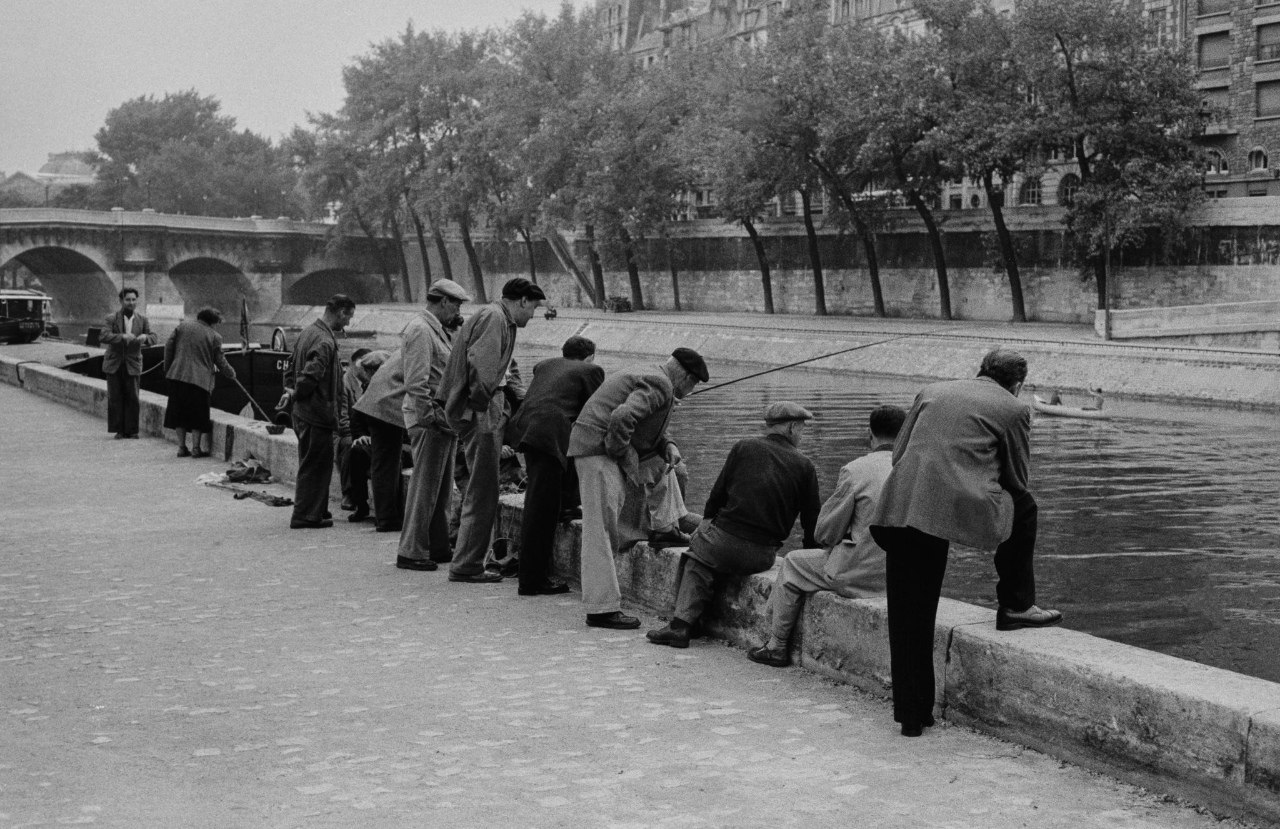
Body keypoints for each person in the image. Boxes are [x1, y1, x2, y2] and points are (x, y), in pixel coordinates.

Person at [870, 348, 1063, 738]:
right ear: (1017, 384)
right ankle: (1016, 605)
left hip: (899, 505)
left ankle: (912, 715)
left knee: (908, 612)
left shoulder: (932, 391)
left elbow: (898, 452)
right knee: (1024, 506)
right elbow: (1018, 477)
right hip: (946, 509)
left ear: (980, 370)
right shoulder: (1013, 408)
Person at [647, 401, 821, 649]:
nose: (802, 435)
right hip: (763, 555)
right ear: (792, 427)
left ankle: (681, 625)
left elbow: (717, 494)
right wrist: (811, 556)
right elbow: (811, 522)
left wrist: (706, 525)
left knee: (696, 557)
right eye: (802, 428)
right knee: (707, 550)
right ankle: (691, 621)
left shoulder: (743, 447)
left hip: (723, 544)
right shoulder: (805, 466)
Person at [747, 404, 906, 668]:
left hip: (858, 575)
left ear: (870, 433)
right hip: (900, 577)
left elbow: (825, 533)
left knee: (792, 562)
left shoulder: (856, 470)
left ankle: (776, 645)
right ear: (904, 434)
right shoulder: (915, 472)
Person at [567, 348, 708, 629]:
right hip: (599, 452)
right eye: (692, 384)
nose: (690, 391)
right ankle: (601, 609)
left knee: (607, 525)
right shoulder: (661, 384)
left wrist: (667, 444)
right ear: (685, 377)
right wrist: (620, 454)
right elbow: (622, 416)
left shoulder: (654, 375)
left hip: (591, 446)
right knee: (601, 530)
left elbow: (647, 422)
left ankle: (665, 527)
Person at [436, 277, 546, 583]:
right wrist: (481, 410)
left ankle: (468, 561)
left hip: (483, 408)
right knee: (483, 489)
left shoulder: (497, 317)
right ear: (522, 301)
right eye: (534, 307)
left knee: (483, 487)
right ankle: (467, 564)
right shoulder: (495, 318)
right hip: (482, 410)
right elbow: (482, 371)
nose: (533, 315)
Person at [506, 335, 605, 596]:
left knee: (541, 499)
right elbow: (597, 411)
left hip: (527, 429)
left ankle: (565, 507)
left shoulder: (545, 365)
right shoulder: (591, 370)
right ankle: (531, 581)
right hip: (549, 435)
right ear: (590, 357)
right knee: (539, 509)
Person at [394, 279, 472, 571]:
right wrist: (430, 419)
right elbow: (416, 382)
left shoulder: (435, 330)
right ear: (444, 301)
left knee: (440, 489)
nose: (458, 311)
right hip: (431, 421)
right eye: (457, 305)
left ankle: (438, 546)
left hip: (442, 420)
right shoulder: (420, 330)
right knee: (425, 488)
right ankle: (411, 551)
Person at [284, 294, 356, 529]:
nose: (348, 324)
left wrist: (290, 392)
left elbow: (290, 366)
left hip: (303, 412)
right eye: (348, 318)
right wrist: (297, 393)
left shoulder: (308, 332)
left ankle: (317, 510)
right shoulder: (325, 341)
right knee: (315, 465)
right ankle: (305, 515)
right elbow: (310, 375)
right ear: (341, 312)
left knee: (314, 463)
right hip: (316, 413)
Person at [162, 307, 237, 458]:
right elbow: (220, 360)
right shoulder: (215, 336)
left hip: (177, 375)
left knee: (179, 413)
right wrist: (231, 373)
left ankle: (181, 448)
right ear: (212, 322)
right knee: (198, 415)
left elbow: (168, 347)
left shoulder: (182, 327)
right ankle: (196, 448)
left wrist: (169, 369)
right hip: (200, 380)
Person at [337, 349, 390, 523]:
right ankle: (360, 504)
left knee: (386, 461)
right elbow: (355, 418)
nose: (367, 375)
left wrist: (375, 438)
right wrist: (361, 436)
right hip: (375, 442)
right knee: (356, 452)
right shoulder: (368, 388)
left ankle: (387, 514)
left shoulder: (394, 390)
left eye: (370, 371)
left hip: (396, 444)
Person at [99, 287, 156, 439]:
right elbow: (103, 336)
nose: (131, 303)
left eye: (133, 300)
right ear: (121, 301)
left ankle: (132, 430)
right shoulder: (111, 318)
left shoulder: (142, 319)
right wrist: (122, 336)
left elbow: (154, 337)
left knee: (133, 397)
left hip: (133, 364)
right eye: (128, 300)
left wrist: (146, 338)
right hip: (114, 363)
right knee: (115, 397)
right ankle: (119, 430)